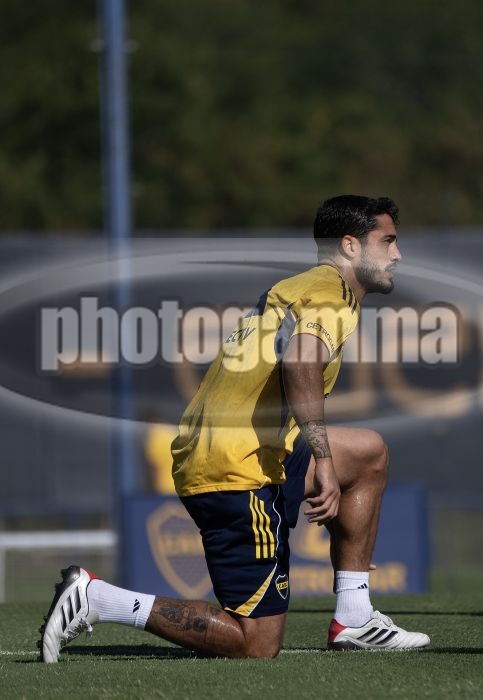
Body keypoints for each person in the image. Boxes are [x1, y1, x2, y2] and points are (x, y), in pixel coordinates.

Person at [38, 194, 430, 662]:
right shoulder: (332, 294)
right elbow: (301, 364)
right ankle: (97, 598)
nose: (397, 254)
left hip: (242, 447)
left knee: (367, 454)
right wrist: (323, 460)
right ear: (350, 246)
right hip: (234, 468)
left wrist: (329, 474)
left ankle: (355, 616)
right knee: (256, 644)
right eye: (387, 241)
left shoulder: (301, 286)